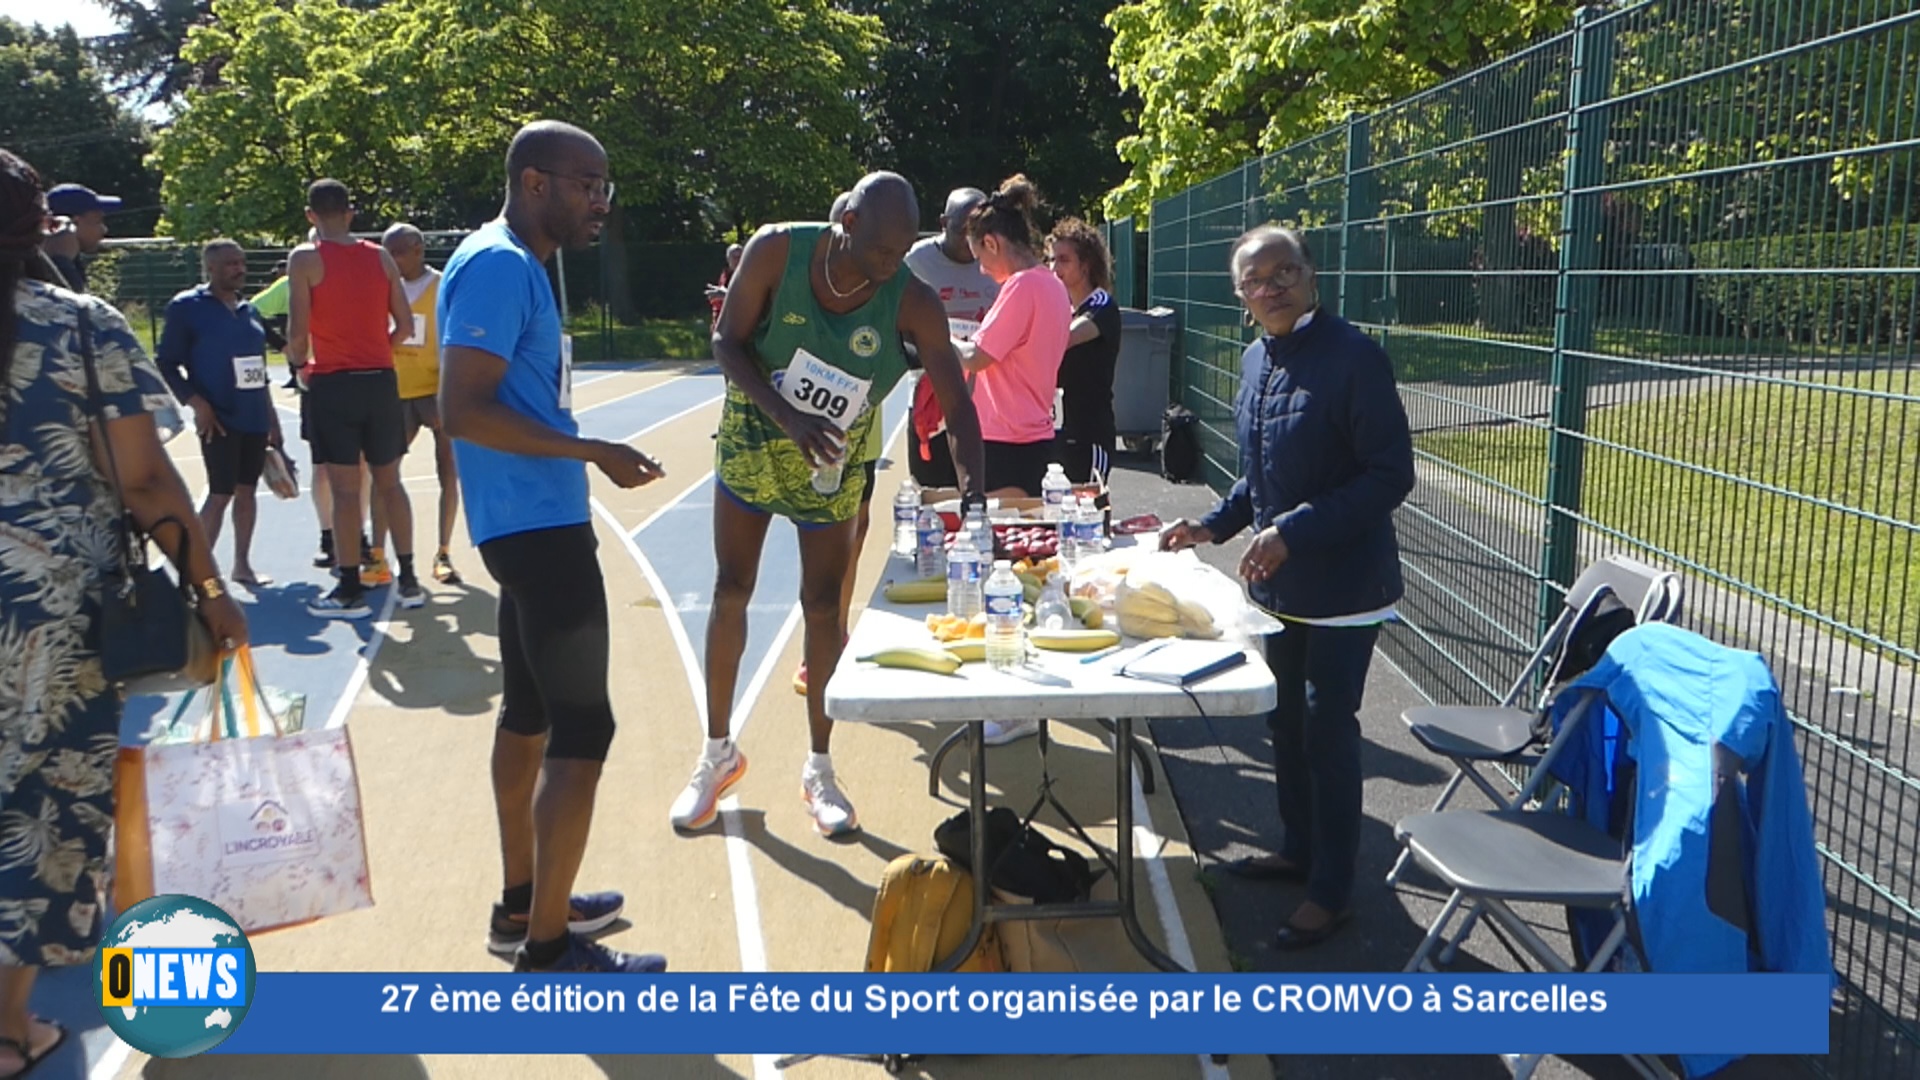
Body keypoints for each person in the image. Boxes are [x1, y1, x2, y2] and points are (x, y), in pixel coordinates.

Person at [0, 149, 248, 1076]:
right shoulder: (76, 327)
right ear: (40, 229)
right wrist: (212, 596)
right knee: (45, 815)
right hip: (54, 627)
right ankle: (10, 1030)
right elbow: (144, 478)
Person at [671, 171, 986, 838]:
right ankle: (716, 754)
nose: (888, 268)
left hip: (831, 465)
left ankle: (819, 768)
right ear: (846, 224)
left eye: (902, 252)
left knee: (823, 610)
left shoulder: (910, 298)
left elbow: (957, 405)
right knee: (732, 589)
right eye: (878, 253)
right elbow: (726, 343)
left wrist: (976, 500)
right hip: (757, 439)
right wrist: (788, 417)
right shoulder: (777, 251)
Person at [441, 120, 669, 974]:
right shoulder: (500, 264)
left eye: (604, 184)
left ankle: (522, 903)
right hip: (537, 527)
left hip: (522, 521)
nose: (600, 200)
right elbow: (461, 408)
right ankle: (546, 945)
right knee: (586, 725)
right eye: (586, 183)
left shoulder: (512, 263)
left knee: (531, 716)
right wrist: (593, 451)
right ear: (534, 182)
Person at [1161, 225, 1415, 949]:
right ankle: (1298, 851)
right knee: (1285, 725)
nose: (1270, 288)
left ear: (1311, 275)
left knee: (1327, 730)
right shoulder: (1255, 357)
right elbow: (1264, 471)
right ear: (1240, 295)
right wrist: (1212, 525)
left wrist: (1293, 532)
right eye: (1254, 279)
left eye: (1284, 273)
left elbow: (1388, 475)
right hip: (1282, 585)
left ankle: (1331, 892)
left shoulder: (1355, 358)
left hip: (1344, 586)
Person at [286, 179, 423, 616]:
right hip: (380, 380)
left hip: (334, 382)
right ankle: (410, 579)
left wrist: (298, 364)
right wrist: (377, 346)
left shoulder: (305, 259)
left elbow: (297, 331)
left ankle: (348, 588)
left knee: (346, 491)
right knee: (390, 482)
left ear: (311, 216)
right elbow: (404, 325)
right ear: (350, 212)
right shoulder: (380, 257)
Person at [154, 238, 285, 588]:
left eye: (241, 262)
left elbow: (258, 368)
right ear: (210, 268)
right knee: (220, 494)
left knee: (247, 491)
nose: (239, 269)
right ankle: (197, 575)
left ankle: (242, 566)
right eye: (230, 264)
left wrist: (271, 418)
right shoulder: (187, 307)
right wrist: (198, 405)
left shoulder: (250, 311)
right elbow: (166, 363)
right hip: (218, 420)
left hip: (254, 416)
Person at [952, 174, 1072, 496]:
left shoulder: (1021, 286)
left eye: (980, 258)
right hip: (1036, 438)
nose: (982, 270)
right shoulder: (1054, 285)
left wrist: (935, 333)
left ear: (992, 243)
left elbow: (975, 358)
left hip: (1005, 441)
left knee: (999, 539)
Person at [382, 223, 462, 585]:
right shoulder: (382, 285)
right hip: (395, 391)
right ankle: (376, 554)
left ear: (418, 250)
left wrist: (451, 390)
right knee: (384, 472)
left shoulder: (443, 284)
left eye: (397, 252)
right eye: (387, 252)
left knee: (448, 470)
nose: (391, 260)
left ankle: (443, 551)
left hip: (436, 391)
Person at [903, 187, 998, 489]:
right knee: (932, 495)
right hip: (931, 398)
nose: (971, 243)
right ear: (944, 223)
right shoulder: (916, 262)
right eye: (962, 231)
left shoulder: (995, 260)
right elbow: (896, 323)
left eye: (980, 231)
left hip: (987, 401)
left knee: (978, 494)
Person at [1046, 219, 1122, 485]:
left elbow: (1062, 339)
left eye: (1063, 260)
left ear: (1086, 264)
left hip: (1090, 437)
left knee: (1090, 513)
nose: (1054, 269)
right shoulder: (1064, 309)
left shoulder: (1101, 306)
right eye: (1051, 260)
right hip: (1058, 433)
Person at [42, 183, 119, 293]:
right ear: (74, 223)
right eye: (98, 221)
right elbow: (78, 306)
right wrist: (62, 262)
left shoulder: (71, 262)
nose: (104, 230)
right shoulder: (47, 270)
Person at [706, 243, 742, 330]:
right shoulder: (725, 275)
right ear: (728, 259)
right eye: (734, 257)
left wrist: (725, 295)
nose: (738, 260)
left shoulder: (749, 276)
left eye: (740, 257)